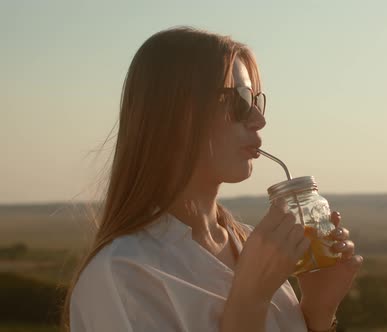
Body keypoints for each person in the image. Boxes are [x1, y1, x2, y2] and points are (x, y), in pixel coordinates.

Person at [61, 26, 363, 332]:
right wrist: (249, 300)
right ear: (177, 113)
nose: (259, 120)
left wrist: (316, 312)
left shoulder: (249, 246)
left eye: (257, 101)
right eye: (241, 101)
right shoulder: (122, 276)